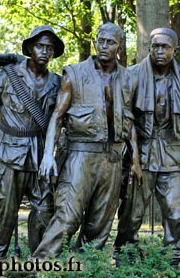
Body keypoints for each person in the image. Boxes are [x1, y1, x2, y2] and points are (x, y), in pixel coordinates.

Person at [32, 22, 141, 260]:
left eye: (110, 42)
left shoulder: (129, 78)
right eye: (100, 41)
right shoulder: (74, 73)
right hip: (79, 155)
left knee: (99, 225)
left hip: (112, 158)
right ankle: (37, 268)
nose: (103, 46)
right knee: (67, 217)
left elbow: (129, 121)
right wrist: (48, 154)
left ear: (119, 47)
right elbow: (57, 117)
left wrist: (135, 160)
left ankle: (86, 268)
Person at [114, 27, 180, 268]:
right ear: (150, 48)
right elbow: (127, 121)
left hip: (172, 156)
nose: (159, 51)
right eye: (155, 46)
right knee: (132, 215)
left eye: (165, 47)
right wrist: (135, 161)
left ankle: (175, 263)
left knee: (176, 215)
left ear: (174, 50)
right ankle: (125, 261)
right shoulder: (133, 75)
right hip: (143, 154)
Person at [0, 25, 65, 260]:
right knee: (4, 214)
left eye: (50, 48)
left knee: (44, 213)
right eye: (40, 46)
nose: (45, 51)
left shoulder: (57, 83)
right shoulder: (8, 76)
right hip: (10, 156)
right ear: (30, 48)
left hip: (41, 158)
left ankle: (39, 265)